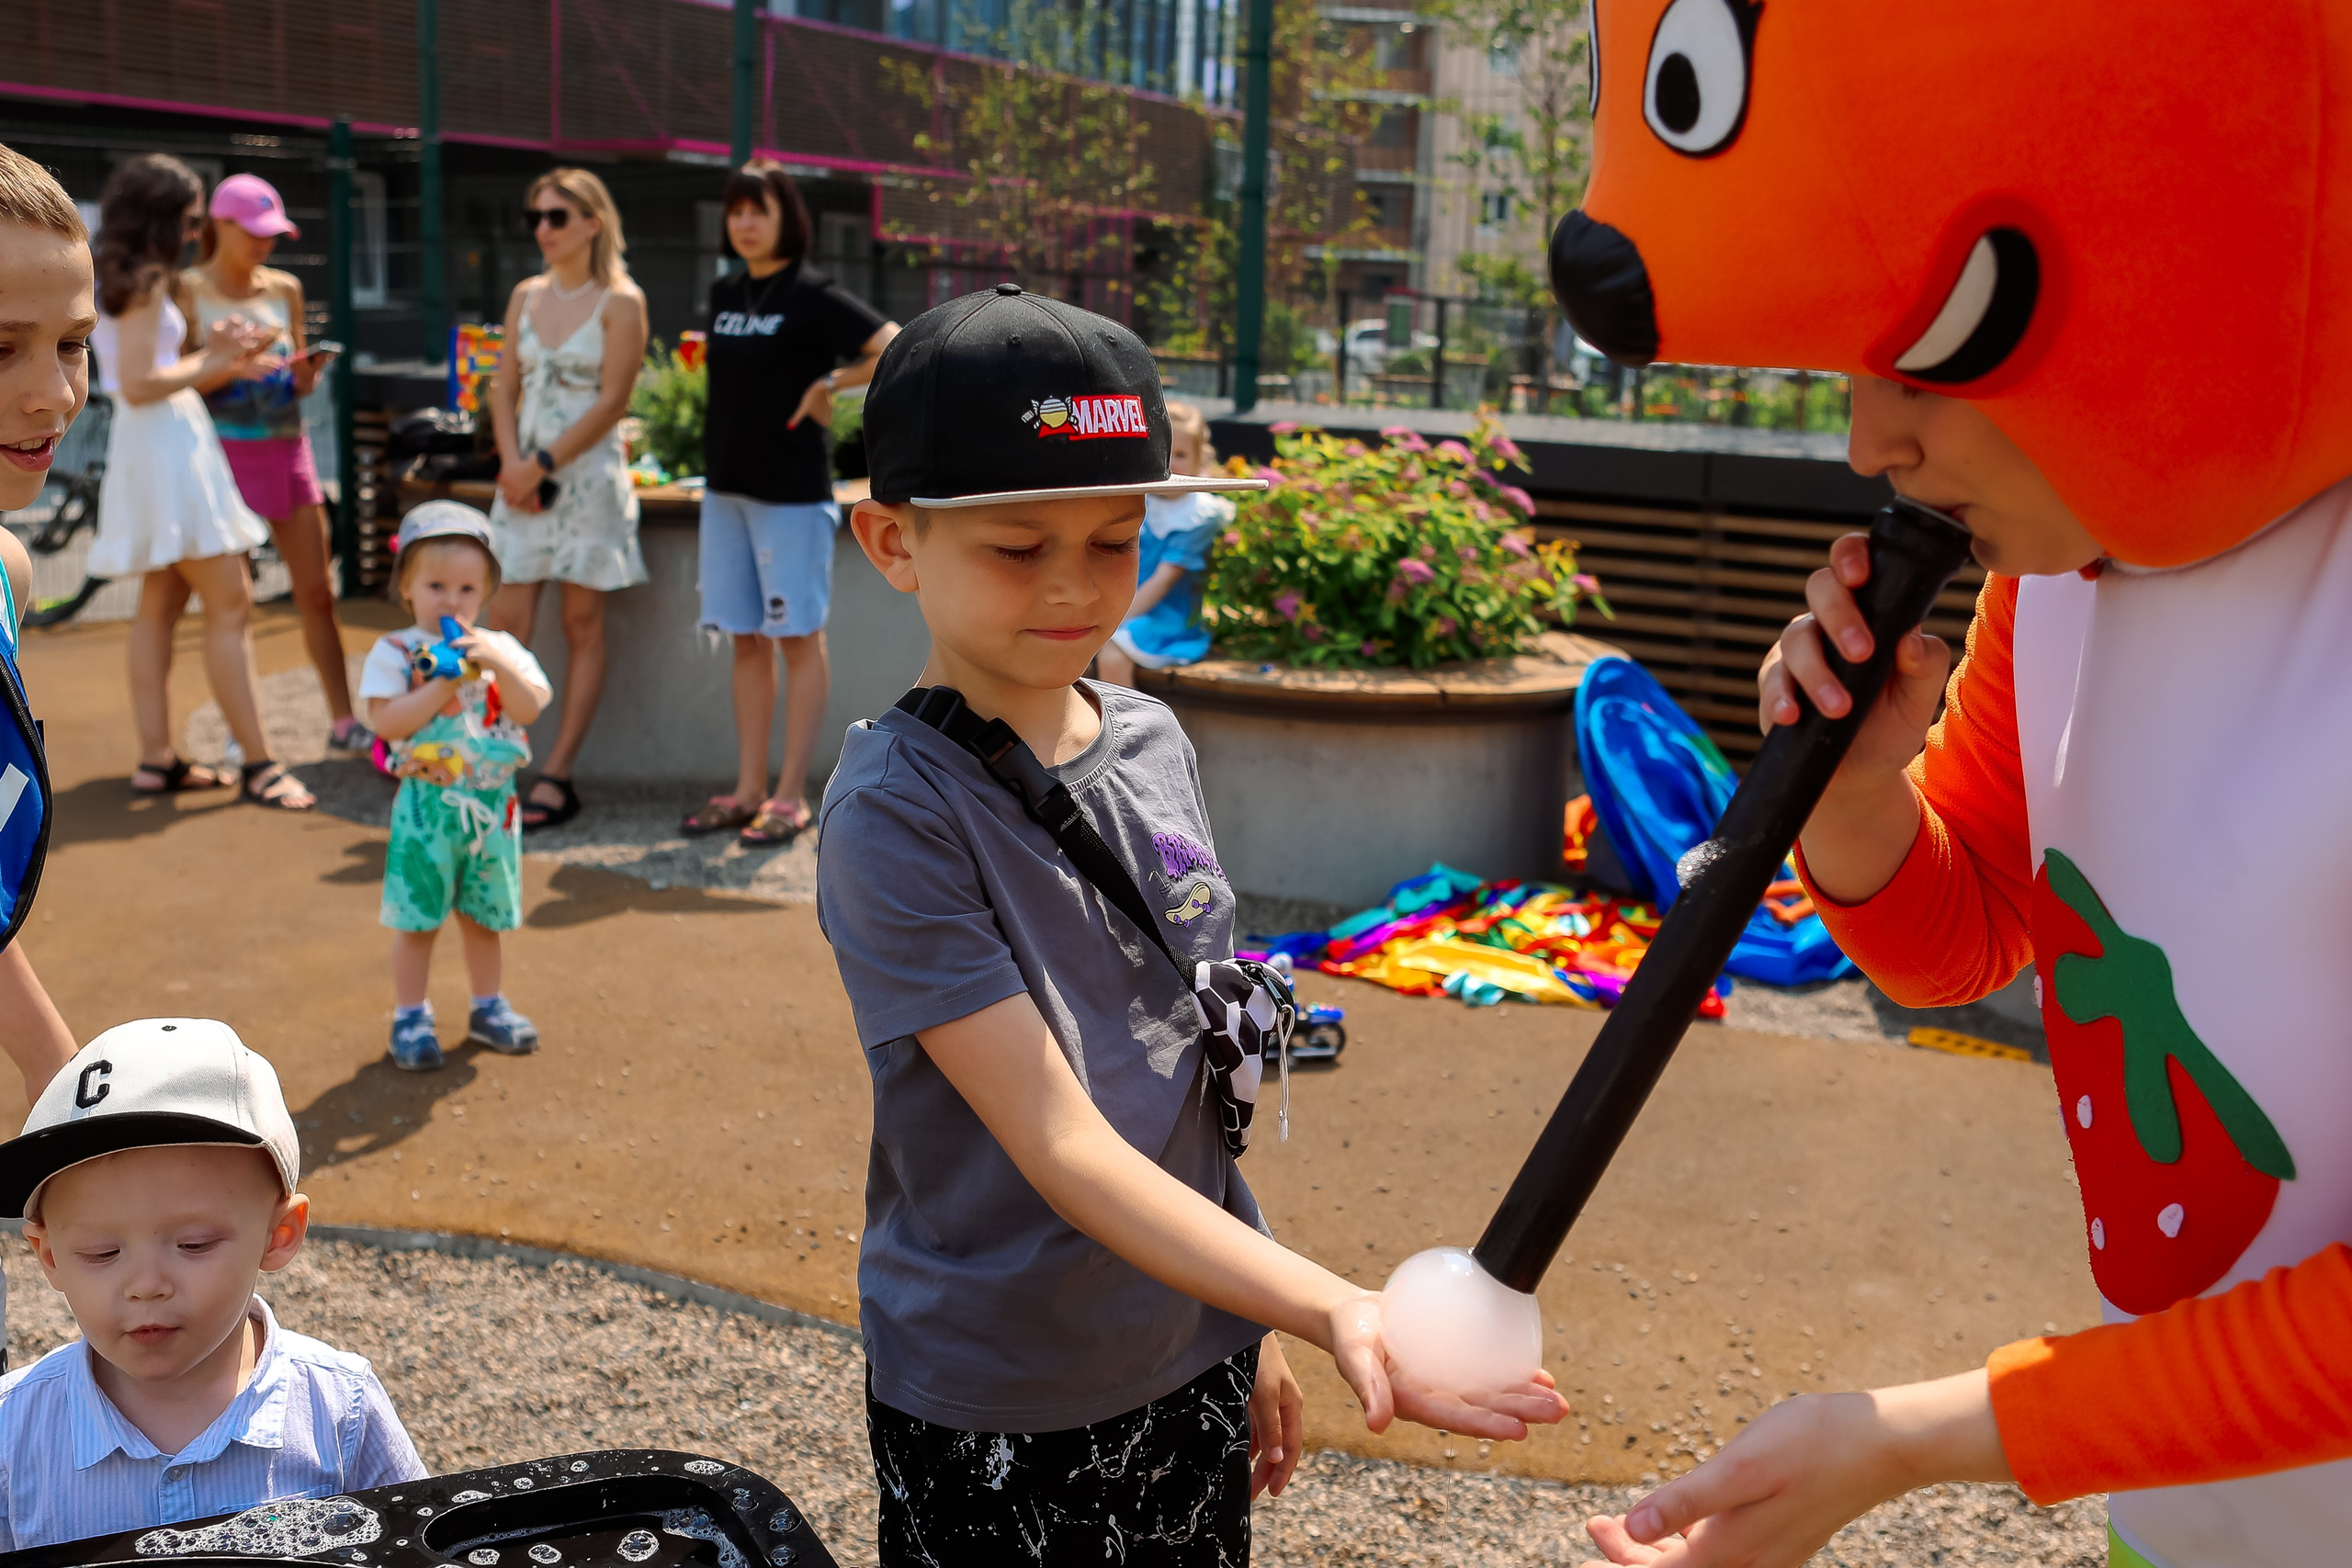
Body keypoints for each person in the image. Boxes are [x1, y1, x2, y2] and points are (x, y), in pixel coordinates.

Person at [1545, 6, 2352, 1567]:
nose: (1874, 440)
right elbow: (1970, 931)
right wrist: (1854, 790)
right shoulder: (2077, 568)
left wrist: (1917, 1434)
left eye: (1931, 350)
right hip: (2195, 1506)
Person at [820, 285, 1566, 1565]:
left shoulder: (1154, 736)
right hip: (1007, 1385)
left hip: (1190, 1344)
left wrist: (1247, 1317)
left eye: (1114, 541)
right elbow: (1060, 1138)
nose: (1074, 587)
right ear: (893, 540)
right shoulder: (897, 811)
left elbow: (1185, 1068)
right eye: (1016, 546)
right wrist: (1334, 1303)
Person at [0, 1020, 425, 1548]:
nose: (146, 1285)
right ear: (48, 1256)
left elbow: (419, 1547)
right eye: (100, 1252)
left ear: (280, 1233)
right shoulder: (11, 1432)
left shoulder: (340, 1409)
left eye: (194, 1244)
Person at [679, 160, 895, 848]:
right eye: (736, 210)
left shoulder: (810, 292)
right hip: (726, 491)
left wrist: (832, 381)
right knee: (745, 637)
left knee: (796, 639)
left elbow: (891, 343)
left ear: (786, 218)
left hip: (792, 496)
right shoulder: (725, 290)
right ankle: (747, 789)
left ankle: (790, 794)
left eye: (758, 210)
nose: (744, 222)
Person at [87, 153, 311, 810]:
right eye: (188, 217)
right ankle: (261, 764)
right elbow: (136, 382)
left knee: (160, 604)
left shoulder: (123, 275)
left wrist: (222, 363)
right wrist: (213, 359)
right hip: (166, 447)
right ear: (160, 216)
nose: (193, 230)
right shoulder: (147, 277)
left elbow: (149, 374)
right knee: (231, 601)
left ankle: (158, 760)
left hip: (156, 442)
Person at [0, 140, 112, 1364]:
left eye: (71, 343)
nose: (52, 394)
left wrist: (62, 1073)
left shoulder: (5, 567)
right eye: (1, 348)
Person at [483, 167, 648, 834]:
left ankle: (558, 773)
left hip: (583, 482)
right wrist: (512, 466)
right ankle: (489, 760)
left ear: (591, 222)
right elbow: (501, 388)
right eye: (536, 218)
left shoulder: (621, 300)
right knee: (503, 623)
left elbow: (614, 401)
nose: (542, 230)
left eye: (555, 216)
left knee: (583, 624)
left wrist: (543, 463)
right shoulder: (526, 294)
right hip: (522, 479)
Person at [360, 503, 551, 1072]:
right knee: (417, 918)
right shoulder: (396, 651)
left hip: (492, 812)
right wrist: (444, 686)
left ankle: (487, 1006)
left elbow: (532, 706)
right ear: (407, 588)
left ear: (487, 591)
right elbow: (386, 721)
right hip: (426, 810)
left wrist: (496, 663)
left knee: (485, 916)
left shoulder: (500, 649)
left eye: (467, 588)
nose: (451, 600)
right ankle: (411, 1014)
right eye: (436, 585)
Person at [181, 173, 366, 756]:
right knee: (231, 605)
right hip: (220, 464)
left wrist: (304, 376)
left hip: (289, 454)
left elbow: (293, 381)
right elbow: (182, 383)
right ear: (219, 226)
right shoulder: (186, 290)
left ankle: (344, 721)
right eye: (253, 231)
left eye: (273, 232)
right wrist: (232, 365)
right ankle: (245, 733)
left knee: (318, 593)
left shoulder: (285, 288)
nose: (264, 243)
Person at [1093, 400, 1227, 687]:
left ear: (1198, 459)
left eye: (1180, 454)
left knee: (1113, 653)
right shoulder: (1140, 500)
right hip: (1120, 604)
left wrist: (1114, 620)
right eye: (1163, 452)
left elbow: (1164, 581)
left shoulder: (1197, 516)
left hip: (1165, 616)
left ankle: (1127, 727)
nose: (1169, 462)